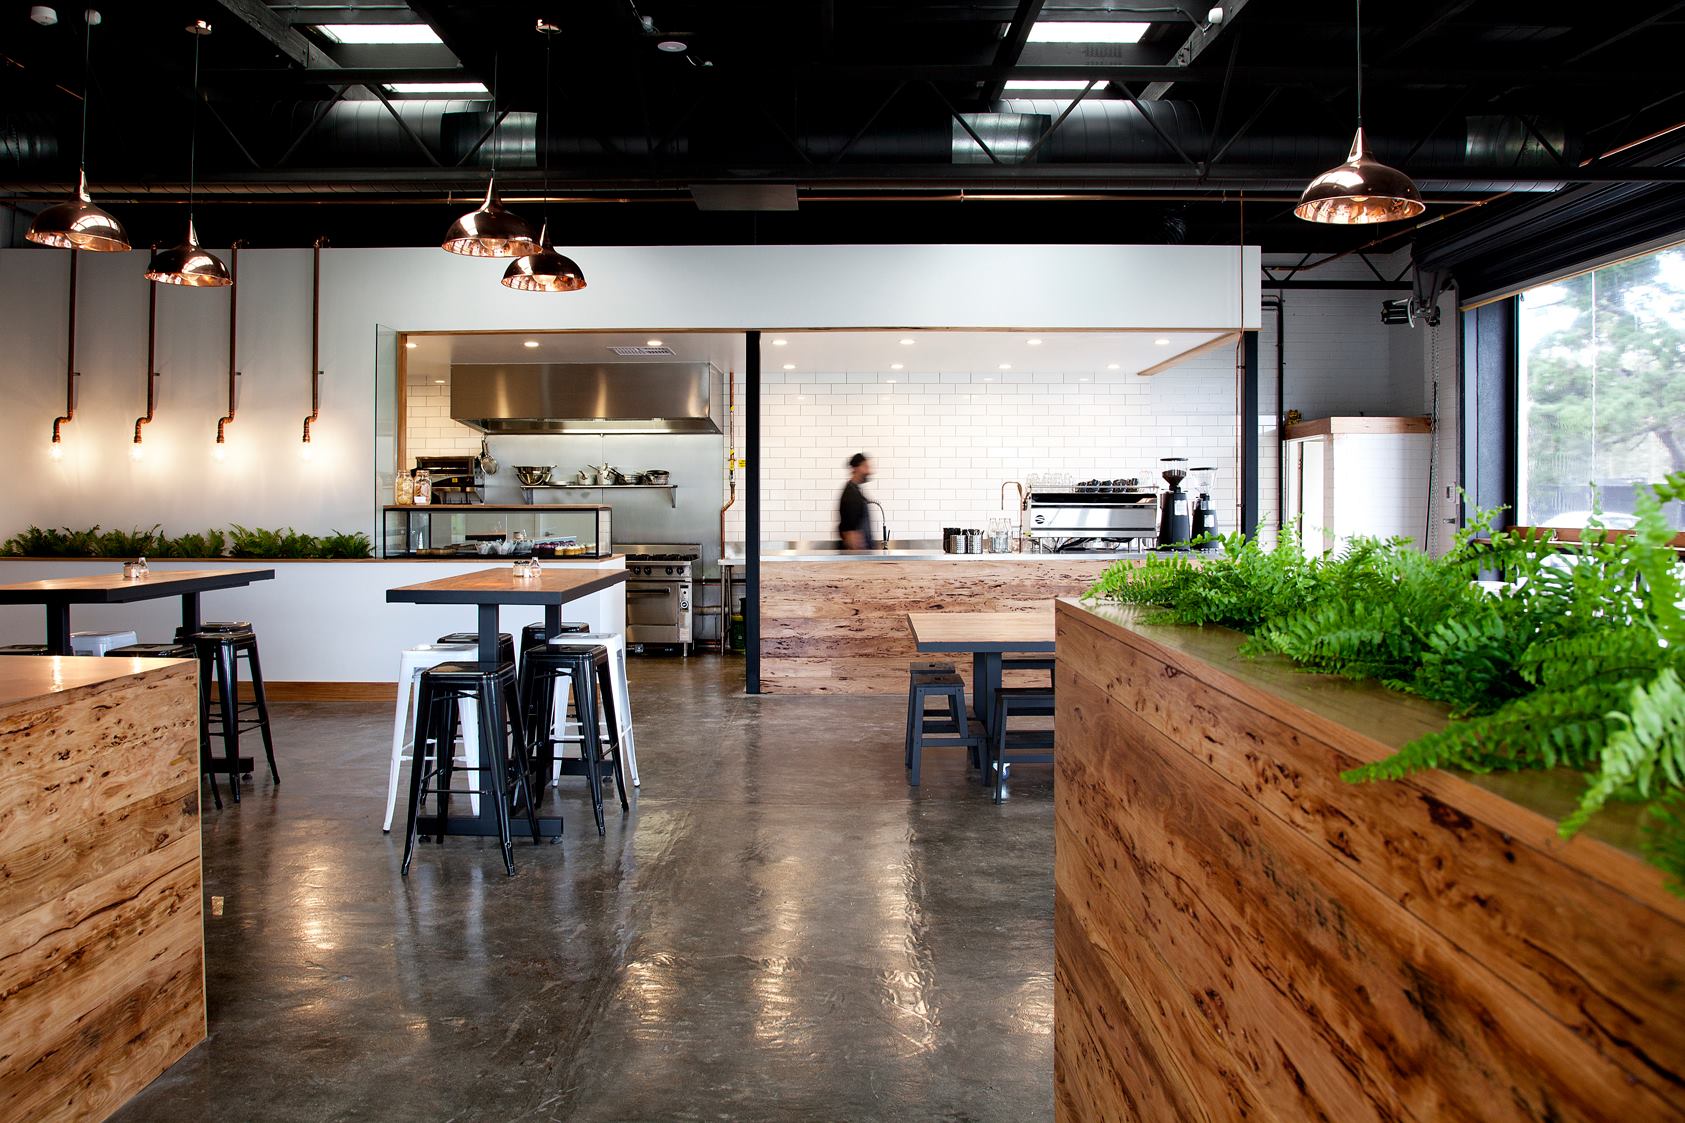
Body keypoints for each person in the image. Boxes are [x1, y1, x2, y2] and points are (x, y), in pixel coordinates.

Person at [838, 453, 874, 550]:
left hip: (864, 555)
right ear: (855, 468)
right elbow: (851, 537)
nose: (869, 471)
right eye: (865, 467)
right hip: (860, 555)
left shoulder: (855, 491)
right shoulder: (851, 495)